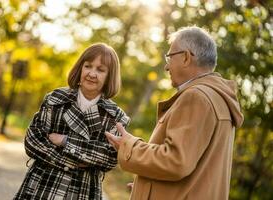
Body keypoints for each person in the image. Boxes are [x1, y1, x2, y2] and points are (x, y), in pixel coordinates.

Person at [105, 26, 244, 200]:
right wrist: (150, 187)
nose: (166, 66)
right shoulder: (218, 99)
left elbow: (175, 161)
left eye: (169, 57)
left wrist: (130, 145)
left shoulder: (197, 97)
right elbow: (198, 171)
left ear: (186, 57)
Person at [14, 43, 130, 200]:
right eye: (88, 66)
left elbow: (108, 158)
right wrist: (80, 160)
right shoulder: (55, 99)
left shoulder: (116, 117)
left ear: (109, 76)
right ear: (80, 68)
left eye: (100, 70)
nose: (92, 73)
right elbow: (32, 141)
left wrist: (65, 141)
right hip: (41, 186)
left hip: (82, 192)